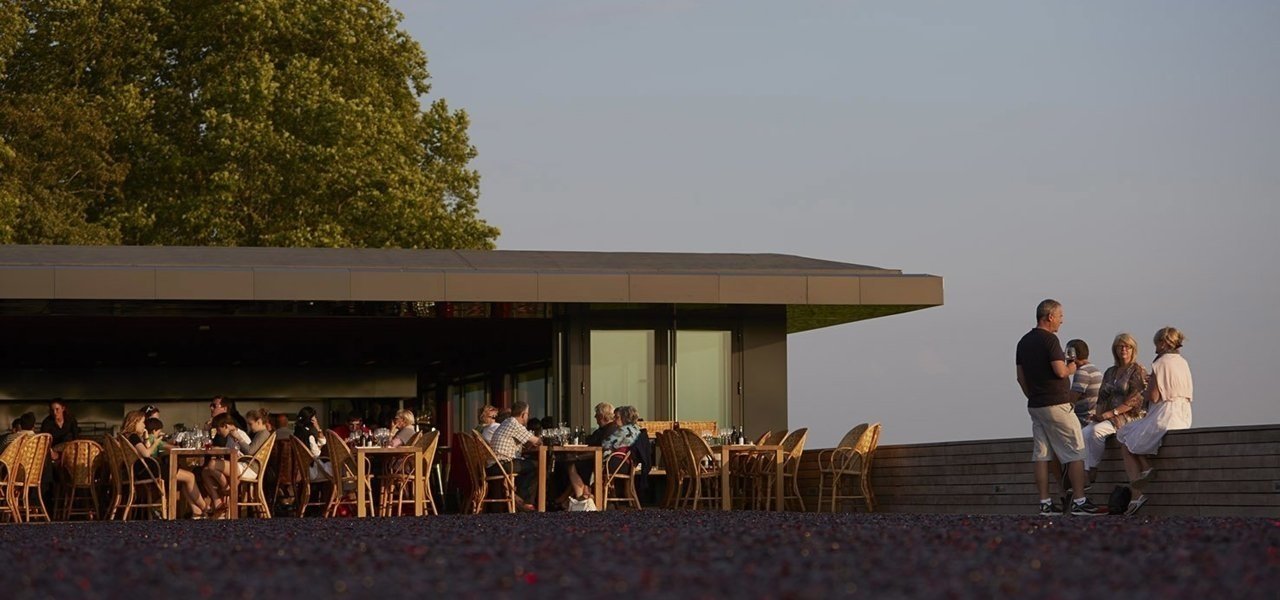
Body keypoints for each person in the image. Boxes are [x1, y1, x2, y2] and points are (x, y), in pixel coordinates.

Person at [1015, 299, 1104, 516]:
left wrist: (1034, 396)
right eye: (1060, 316)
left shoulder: (1023, 342)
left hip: (1035, 405)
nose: (1062, 321)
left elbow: (1020, 377)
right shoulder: (1050, 340)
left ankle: (1045, 503)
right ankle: (1080, 502)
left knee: (1042, 454)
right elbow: (1060, 371)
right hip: (1057, 403)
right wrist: (1071, 367)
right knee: (1076, 450)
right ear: (1050, 316)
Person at [1116, 327, 1193, 515]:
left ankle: (1137, 493)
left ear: (1163, 343)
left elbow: (1153, 396)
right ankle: (1145, 468)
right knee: (1133, 434)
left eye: (1157, 344)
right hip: (1183, 414)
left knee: (1124, 437)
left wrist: (1146, 386)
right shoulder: (1183, 362)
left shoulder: (1160, 362)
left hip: (1164, 414)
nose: (1155, 349)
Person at [1081, 334, 1147, 486]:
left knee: (1097, 431)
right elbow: (1102, 397)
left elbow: (1135, 399)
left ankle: (1093, 468)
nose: (1123, 349)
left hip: (1128, 416)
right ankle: (1085, 472)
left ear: (1133, 350)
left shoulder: (1137, 370)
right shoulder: (1110, 372)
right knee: (1084, 432)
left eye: (1127, 346)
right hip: (1108, 415)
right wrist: (1097, 415)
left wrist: (1112, 413)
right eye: (1120, 346)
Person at [122, 410, 208, 518]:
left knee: (183, 480)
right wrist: (157, 442)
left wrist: (146, 436)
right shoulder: (133, 436)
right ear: (135, 422)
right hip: (149, 470)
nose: (144, 425)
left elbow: (145, 449)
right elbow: (147, 453)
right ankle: (206, 508)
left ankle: (197, 511)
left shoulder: (126, 436)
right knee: (190, 476)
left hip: (141, 470)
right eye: (143, 422)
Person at [202, 409, 273, 515]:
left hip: (249, 468)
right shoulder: (259, 434)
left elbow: (250, 451)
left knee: (212, 464)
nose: (249, 427)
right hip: (244, 465)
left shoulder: (263, 433)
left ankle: (229, 488)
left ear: (259, 421)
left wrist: (239, 438)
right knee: (205, 472)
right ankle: (218, 501)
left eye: (250, 424)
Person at [486, 400, 541, 511]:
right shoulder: (514, 423)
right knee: (537, 466)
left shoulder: (508, 422)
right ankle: (525, 502)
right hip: (501, 465)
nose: (528, 417)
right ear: (523, 414)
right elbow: (537, 441)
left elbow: (526, 443)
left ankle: (518, 498)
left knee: (527, 465)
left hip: (495, 465)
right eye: (527, 414)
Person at [1066, 340, 1103, 427]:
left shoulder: (1082, 372)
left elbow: (1070, 401)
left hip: (1083, 421)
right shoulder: (1094, 369)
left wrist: (1065, 372)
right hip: (1092, 419)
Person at [294, 406, 331, 481]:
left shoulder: (296, 433)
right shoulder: (309, 436)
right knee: (336, 467)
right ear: (311, 420)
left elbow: (322, 442)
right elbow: (316, 454)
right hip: (312, 470)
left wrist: (318, 430)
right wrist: (318, 429)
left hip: (301, 468)